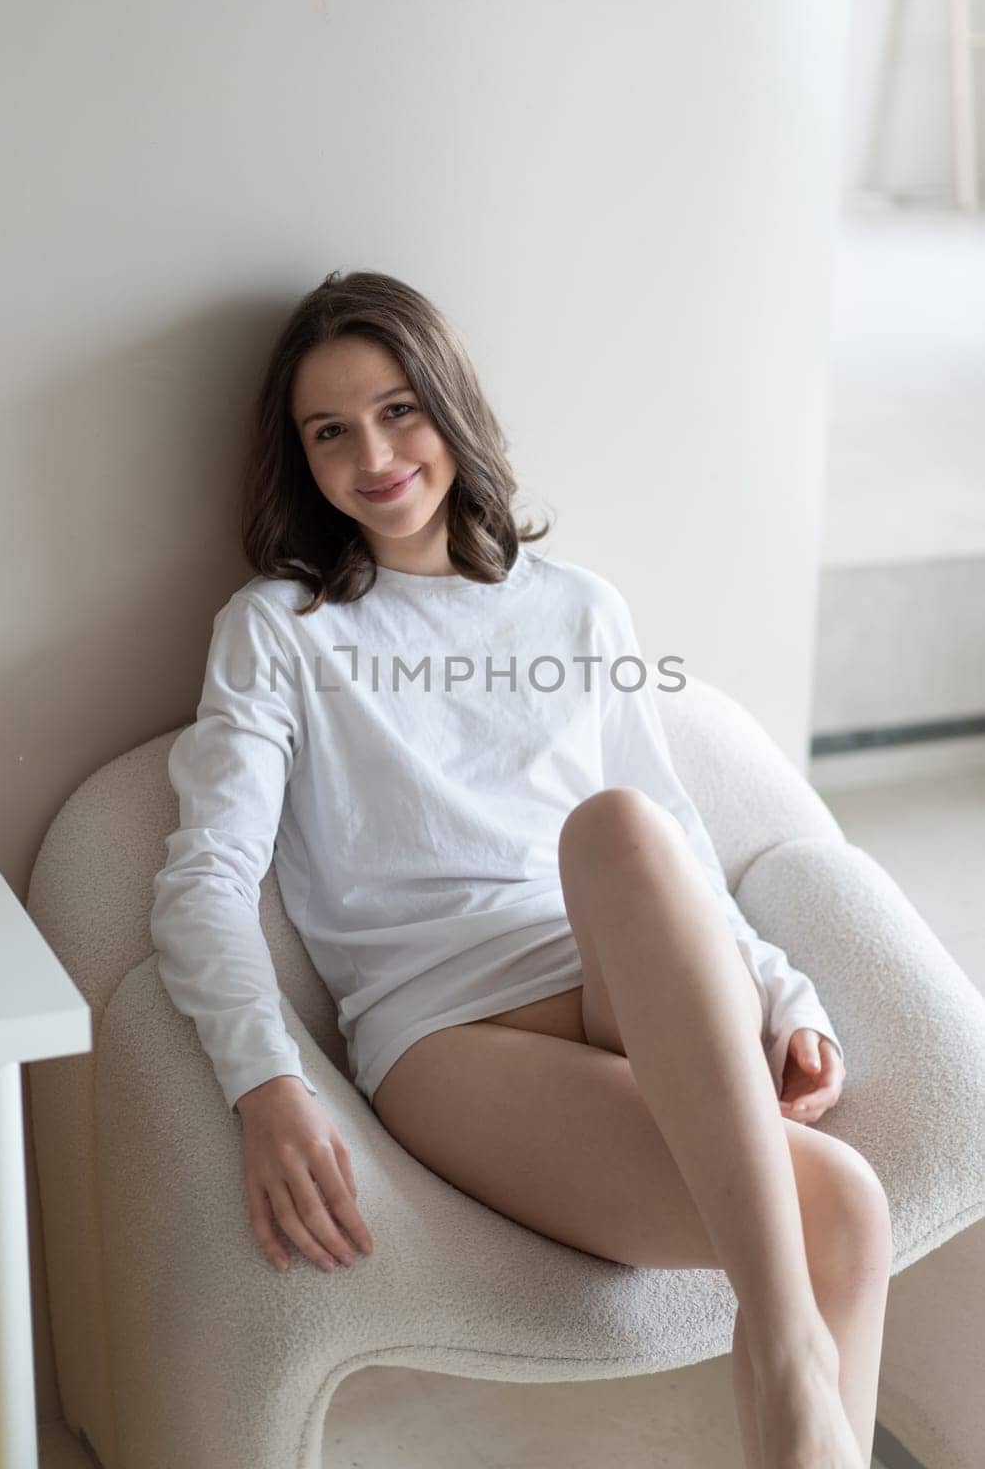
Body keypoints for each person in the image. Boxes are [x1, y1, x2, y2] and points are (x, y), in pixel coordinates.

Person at [151, 269, 891, 1469]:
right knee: (840, 1209)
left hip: (617, 984)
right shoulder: (278, 630)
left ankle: (788, 1371)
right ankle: (794, 1362)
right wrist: (264, 1083)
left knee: (616, 829)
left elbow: (676, 845)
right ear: (300, 458)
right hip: (446, 1031)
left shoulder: (574, 608)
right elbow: (203, 880)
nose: (373, 454)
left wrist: (778, 990)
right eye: (329, 431)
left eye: (398, 410)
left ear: (451, 408)